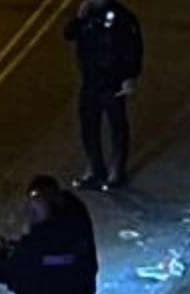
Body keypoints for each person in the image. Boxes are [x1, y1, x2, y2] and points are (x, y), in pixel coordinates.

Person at [65, 0, 143, 190]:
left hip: (112, 81)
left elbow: (134, 48)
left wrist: (130, 76)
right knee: (89, 126)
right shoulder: (88, 16)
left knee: (117, 127)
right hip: (91, 80)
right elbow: (69, 34)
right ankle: (95, 169)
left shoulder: (122, 17)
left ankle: (117, 171)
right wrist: (80, 18)